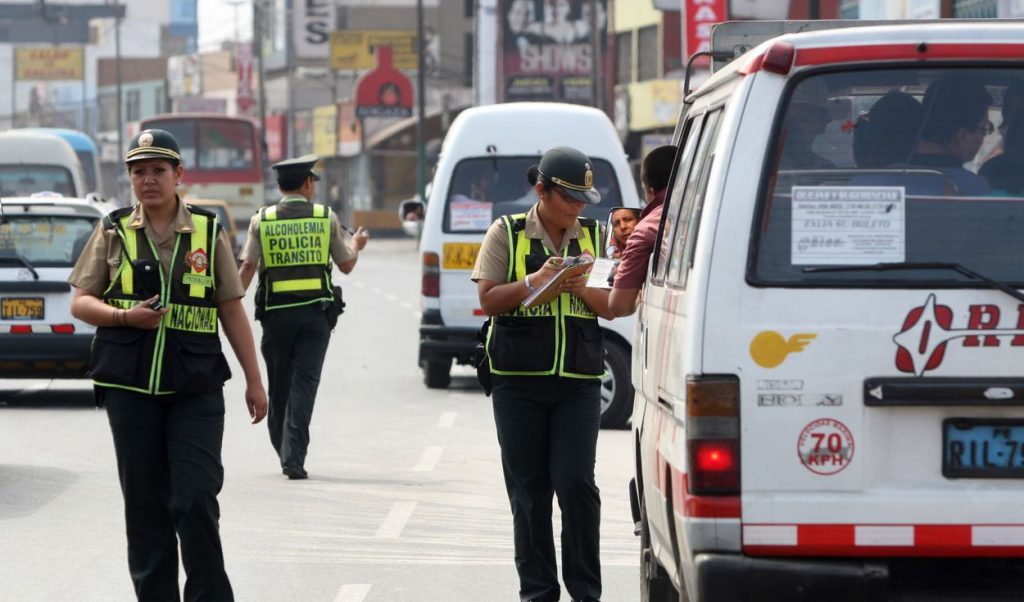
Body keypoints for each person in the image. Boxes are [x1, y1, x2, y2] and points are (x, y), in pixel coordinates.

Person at [68, 128, 269, 601]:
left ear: (179, 175)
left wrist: (254, 381)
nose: (148, 180)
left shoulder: (206, 230)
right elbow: (81, 302)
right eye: (139, 171)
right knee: (144, 508)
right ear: (130, 179)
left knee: (195, 498)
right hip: (131, 392)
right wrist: (124, 317)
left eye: (158, 170)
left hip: (194, 389)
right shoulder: (113, 229)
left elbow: (231, 307)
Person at [472, 146, 613, 602]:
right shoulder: (506, 232)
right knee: (529, 492)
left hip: (579, 381)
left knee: (576, 484)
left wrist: (579, 285)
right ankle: (538, 592)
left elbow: (611, 305)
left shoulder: (596, 233)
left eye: (582, 200)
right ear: (541, 191)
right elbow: (489, 300)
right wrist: (535, 282)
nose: (576, 209)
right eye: (569, 198)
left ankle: (586, 592)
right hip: (517, 383)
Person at [237, 154, 369, 480]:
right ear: (308, 183)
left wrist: (228, 303)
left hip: (275, 318)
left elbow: (246, 270)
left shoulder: (262, 221)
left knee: (279, 385)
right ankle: (293, 455)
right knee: (305, 384)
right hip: (315, 318)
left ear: (280, 186)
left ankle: (283, 447)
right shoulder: (326, 218)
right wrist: (357, 243)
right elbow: (347, 264)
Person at [609, 145, 675, 317]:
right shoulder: (709, 209)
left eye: (628, 219)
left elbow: (619, 306)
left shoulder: (646, 229)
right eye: (616, 223)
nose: (623, 227)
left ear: (650, 190)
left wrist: (637, 292)